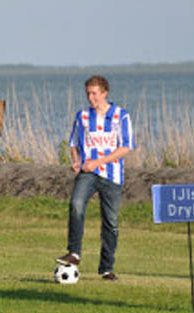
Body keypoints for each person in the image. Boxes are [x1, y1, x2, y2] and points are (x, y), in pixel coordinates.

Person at [56, 76, 135, 280]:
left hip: (112, 175)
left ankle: (107, 268)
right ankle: (74, 253)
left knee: (111, 222)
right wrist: (76, 160)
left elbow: (126, 147)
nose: (91, 98)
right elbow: (73, 142)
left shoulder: (121, 116)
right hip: (88, 173)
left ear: (105, 93)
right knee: (76, 204)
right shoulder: (82, 116)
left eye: (94, 93)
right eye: (88, 94)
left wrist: (98, 162)